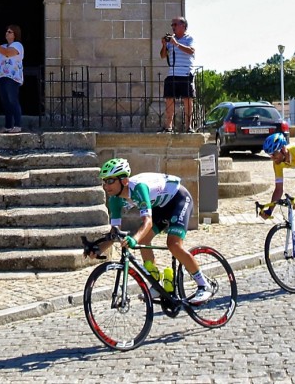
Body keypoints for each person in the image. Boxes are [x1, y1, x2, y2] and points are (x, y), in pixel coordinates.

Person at [87, 158, 216, 304]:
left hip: (178, 199)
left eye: (110, 181)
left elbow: (147, 222)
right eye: (104, 181)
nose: (106, 186)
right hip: (160, 207)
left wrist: (133, 239)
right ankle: (156, 284)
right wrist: (98, 249)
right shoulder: (115, 200)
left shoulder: (138, 188)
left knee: (173, 244)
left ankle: (204, 285)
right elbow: (114, 233)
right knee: (143, 240)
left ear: (123, 181)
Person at [159, 16, 195, 133]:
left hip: (185, 74)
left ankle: (188, 126)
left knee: (188, 100)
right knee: (169, 99)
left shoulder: (189, 38)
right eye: (172, 25)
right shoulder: (171, 40)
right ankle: (168, 126)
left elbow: (191, 51)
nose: (173, 27)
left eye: (175, 24)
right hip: (172, 74)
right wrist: (164, 45)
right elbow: (163, 56)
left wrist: (176, 44)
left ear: (183, 26)